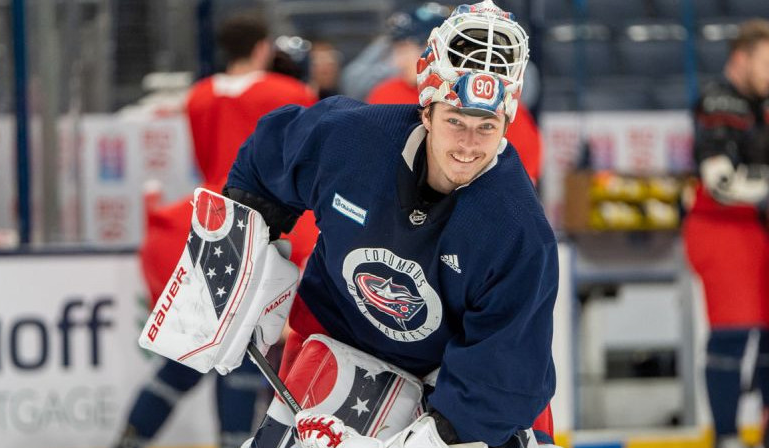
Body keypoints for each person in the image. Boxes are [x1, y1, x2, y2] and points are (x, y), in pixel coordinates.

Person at [225, 1, 558, 447]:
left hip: (460, 386)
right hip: (337, 347)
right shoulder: (353, 138)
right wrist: (232, 258)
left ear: (506, 124)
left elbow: (505, 369)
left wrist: (438, 437)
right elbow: (266, 161)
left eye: (486, 126)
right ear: (426, 112)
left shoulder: (518, 231)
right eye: (455, 121)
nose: (467, 144)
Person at [113, 14, 318, 448]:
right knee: (244, 349)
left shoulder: (199, 95)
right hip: (261, 229)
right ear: (263, 48)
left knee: (193, 347)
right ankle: (234, 440)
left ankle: (132, 437)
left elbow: (210, 162)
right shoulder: (290, 92)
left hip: (205, 224)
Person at [683, 19, 769, 448]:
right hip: (721, 227)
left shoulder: (761, 100)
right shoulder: (720, 100)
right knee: (733, 330)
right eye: (768, 65)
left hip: (759, 230)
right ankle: (726, 436)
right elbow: (719, 180)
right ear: (741, 59)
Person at [366, 3, 543, 183]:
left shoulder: (500, 104)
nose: (397, 62)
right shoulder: (385, 93)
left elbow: (523, 180)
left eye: (404, 49)